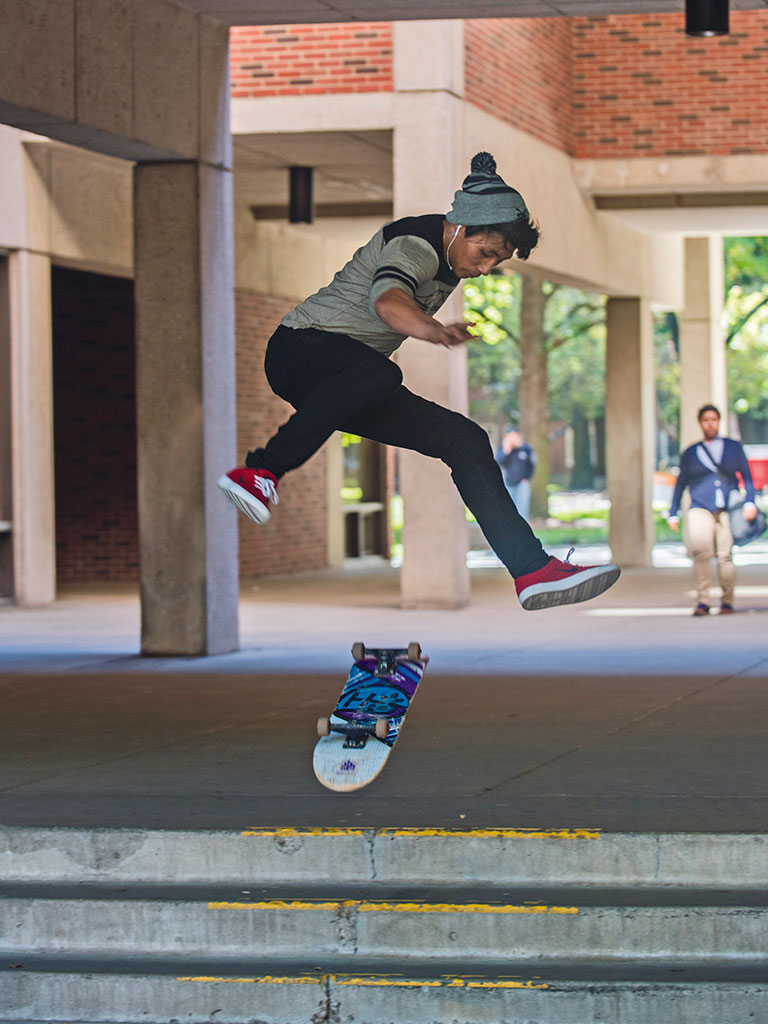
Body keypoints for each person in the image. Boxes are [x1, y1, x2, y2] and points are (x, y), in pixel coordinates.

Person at [218, 152, 620, 611]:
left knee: (464, 439)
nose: (486, 268)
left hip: (348, 379)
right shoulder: (415, 243)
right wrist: (433, 329)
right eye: (486, 252)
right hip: (299, 350)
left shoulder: (455, 255)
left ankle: (531, 569)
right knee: (381, 371)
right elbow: (388, 301)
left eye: (498, 262)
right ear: (461, 227)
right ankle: (261, 471)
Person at [668, 404, 757, 616]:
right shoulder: (691, 452)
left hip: (727, 507)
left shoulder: (733, 447)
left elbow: (746, 476)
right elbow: (681, 483)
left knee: (725, 555)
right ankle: (703, 600)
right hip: (700, 506)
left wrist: (750, 502)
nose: (710, 424)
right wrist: (673, 512)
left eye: (714, 419)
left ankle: (727, 601)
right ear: (700, 423)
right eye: (706, 420)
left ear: (719, 421)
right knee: (701, 552)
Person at [496, 428, 536, 521]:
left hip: (522, 483)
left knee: (522, 508)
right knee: (509, 508)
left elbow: (531, 465)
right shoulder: (504, 449)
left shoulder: (526, 449)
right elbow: (499, 462)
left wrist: (527, 478)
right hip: (508, 482)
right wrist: (506, 451)